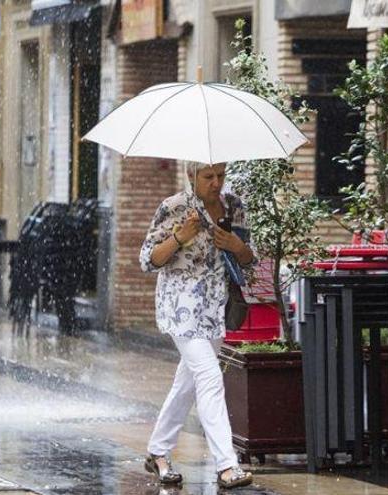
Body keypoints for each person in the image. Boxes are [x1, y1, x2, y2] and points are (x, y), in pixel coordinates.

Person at [139, 162, 255, 489]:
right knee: (208, 375)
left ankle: (158, 452)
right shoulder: (174, 208)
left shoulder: (234, 206)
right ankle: (227, 464)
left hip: (216, 308)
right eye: (208, 177)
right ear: (191, 176)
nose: (216, 183)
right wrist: (178, 237)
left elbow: (249, 259)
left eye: (221, 175)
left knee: (187, 383)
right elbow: (148, 260)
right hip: (180, 306)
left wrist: (236, 246)